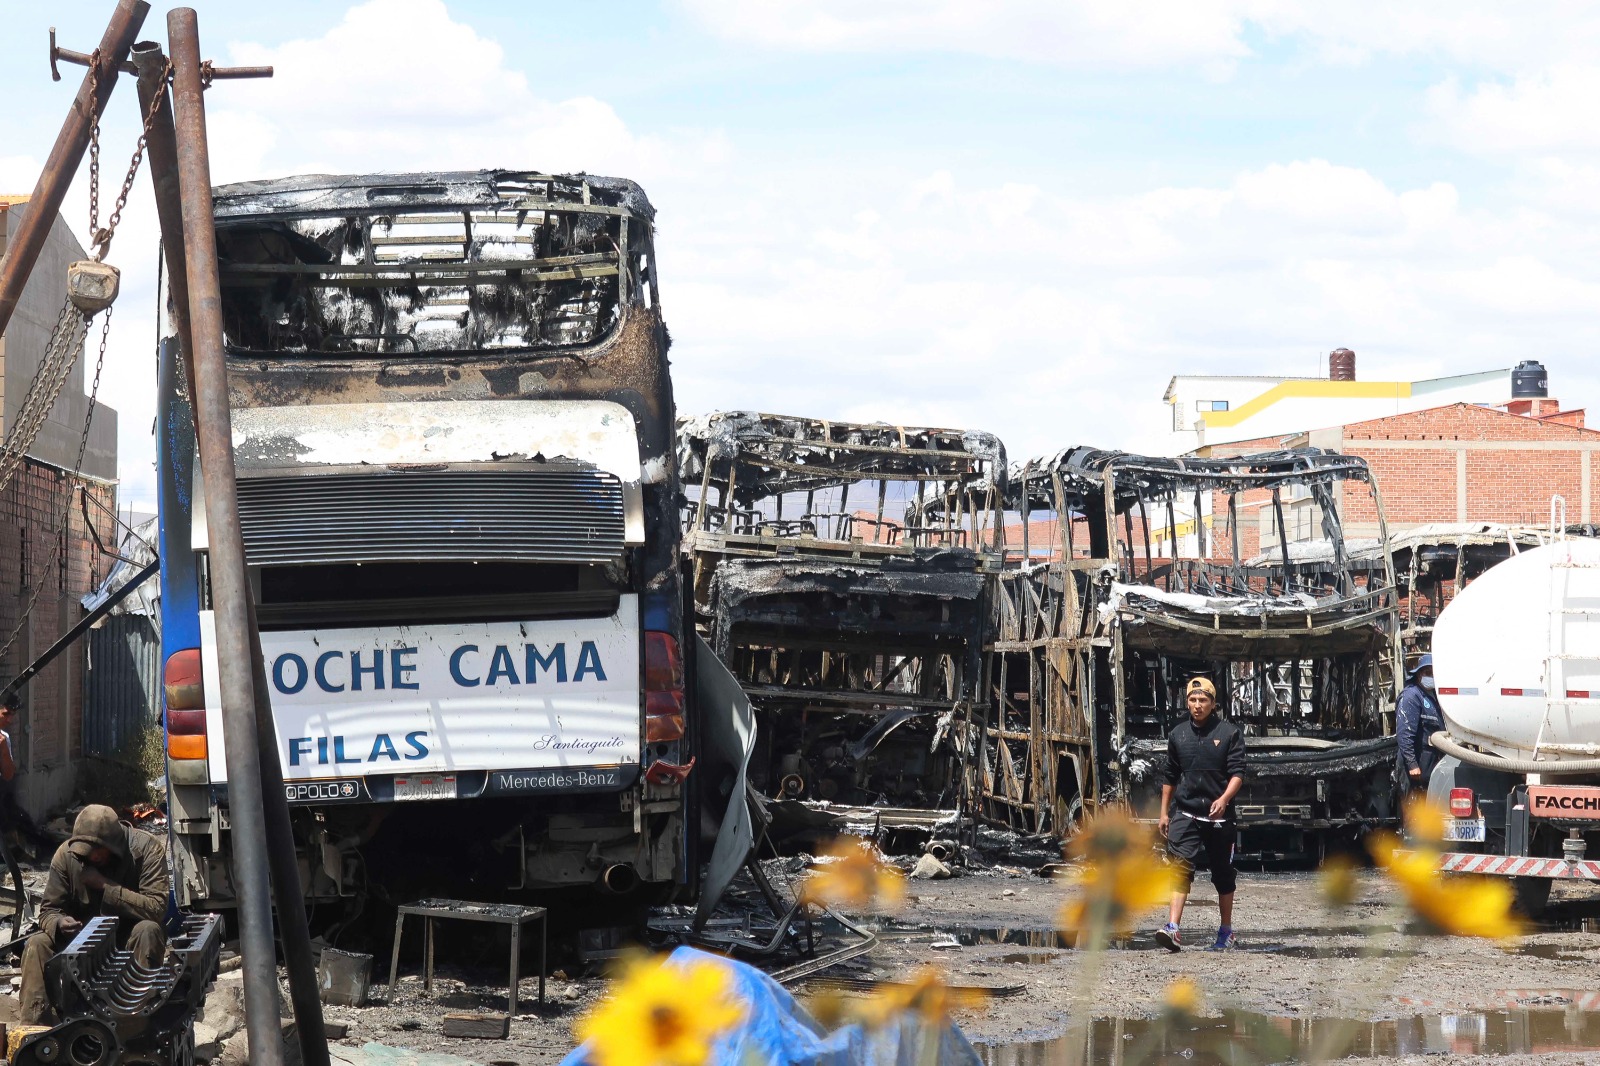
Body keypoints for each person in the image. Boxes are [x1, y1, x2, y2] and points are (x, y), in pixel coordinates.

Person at [19, 804, 169, 1025]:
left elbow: (156, 907)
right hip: (80, 942)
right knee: (37, 943)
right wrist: (59, 922)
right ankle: (34, 1030)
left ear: (112, 846)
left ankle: (136, 1022)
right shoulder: (66, 856)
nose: (88, 857)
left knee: (148, 930)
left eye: (95, 852)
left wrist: (106, 886)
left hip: (125, 941)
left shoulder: (146, 849)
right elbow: (49, 911)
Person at [1155, 676, 1247, 952]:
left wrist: (1224, 798)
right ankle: (1173, 928)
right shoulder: (1178, 734)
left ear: (1213, 704)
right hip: (1187, 813)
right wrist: (1164, 813)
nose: (1197, 705)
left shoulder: (1230, 733)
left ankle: (1226, 932)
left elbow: (1238, 774)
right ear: (1187, 703)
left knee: (1222, 874)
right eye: (1193, 700)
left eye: (1203, 700)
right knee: (1180, 868)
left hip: (1220, 817)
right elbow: (1170, 776)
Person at [0, 699, 56, 862]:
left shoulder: (4, 738)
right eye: (6, 714)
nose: (9, 719)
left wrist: (3, 751)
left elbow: (9, 774)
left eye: (13, 715)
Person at [1395, 653, 1443, 798]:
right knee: (1413, 812)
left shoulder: (1435, 697)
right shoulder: (1411, 696)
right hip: (1416, 768)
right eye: (1427, 672)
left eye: (1434, 673)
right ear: (1419, 674)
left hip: (1431, 765)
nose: (1431, 676)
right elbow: (1405, 734)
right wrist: (1412, 765)